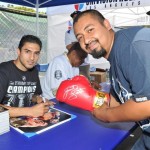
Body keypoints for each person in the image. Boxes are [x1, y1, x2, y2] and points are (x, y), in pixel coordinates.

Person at [73, 9, 150, 149]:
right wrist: (86, 96)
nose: (86, 40)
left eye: (90, 30)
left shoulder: (132, 45)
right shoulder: (115, 59)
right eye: (80, 37)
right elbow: (114, 101)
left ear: (107, 24)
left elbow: (147, 105)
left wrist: (107, 115)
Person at [0, 35, 54, 118]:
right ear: (18, 51)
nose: (32, 58)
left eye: (36, 53)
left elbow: (32, 95)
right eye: (27, 51)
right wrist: (30, 111)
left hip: (25, 122)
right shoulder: (3, 71)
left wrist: (38, 99)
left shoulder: (34, 71)